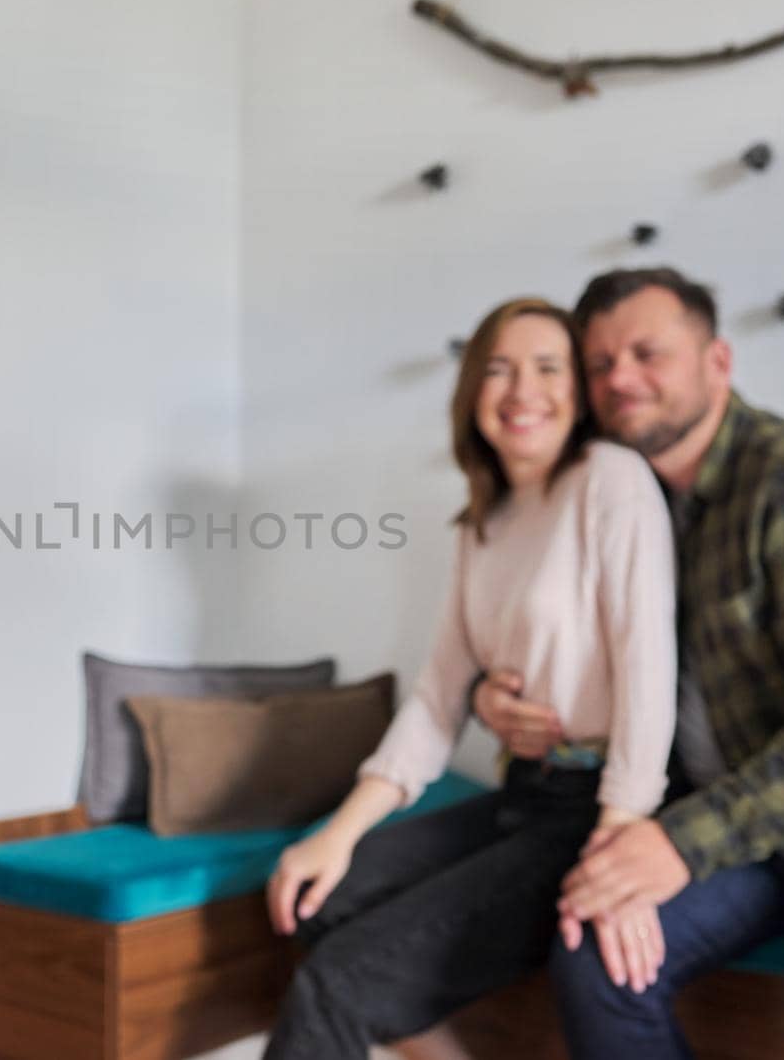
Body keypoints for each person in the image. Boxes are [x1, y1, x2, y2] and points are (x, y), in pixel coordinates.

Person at [483, 267, 784, 1058]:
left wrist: (679, 844)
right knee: (593, 959)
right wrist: (492, 698)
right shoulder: (625, 502)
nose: (621, 379)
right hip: (747, 836)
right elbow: (558, 644)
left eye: (648, 353)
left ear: (718, 361)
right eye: (600, 363)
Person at [262, 298, 678, 1059]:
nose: (523, 390)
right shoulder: (482, 520)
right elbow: (438, 697)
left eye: (548, 368)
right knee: (322, 897)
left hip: (592, 814)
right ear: (471, 392)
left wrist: (619, 843)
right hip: (524, 793)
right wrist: (340, 832)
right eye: (499, 369)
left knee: (337, 986)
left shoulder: (610, 481)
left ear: (579, 392)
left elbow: (651, 677)